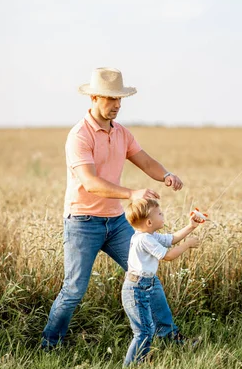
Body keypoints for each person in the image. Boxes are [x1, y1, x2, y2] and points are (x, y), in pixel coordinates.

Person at [41, 67, 183, 349]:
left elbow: (144, 160)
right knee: (73, 289)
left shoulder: (121, 133)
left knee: (147, 276)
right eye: (110, 99)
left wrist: (165, 174)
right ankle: (50, 343)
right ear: (93, 98)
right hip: (82, 222)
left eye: (120, 99)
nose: (117, 105)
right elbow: (90, 183)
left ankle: (171, 337)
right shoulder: (79, 136)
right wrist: (132, 193)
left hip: (116, 222)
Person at [122, 198, 202, 366]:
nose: (163, 214)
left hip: (148, 284)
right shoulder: (144, 239)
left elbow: (171, 239)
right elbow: (168, 256)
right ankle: (131, 366)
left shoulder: (149, 235)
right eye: (159, 213)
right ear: (149, 221)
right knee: (144, 331)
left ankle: (177, 344)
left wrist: (191, 227)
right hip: (137, 288)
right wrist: (187, 245)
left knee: (162, 316)